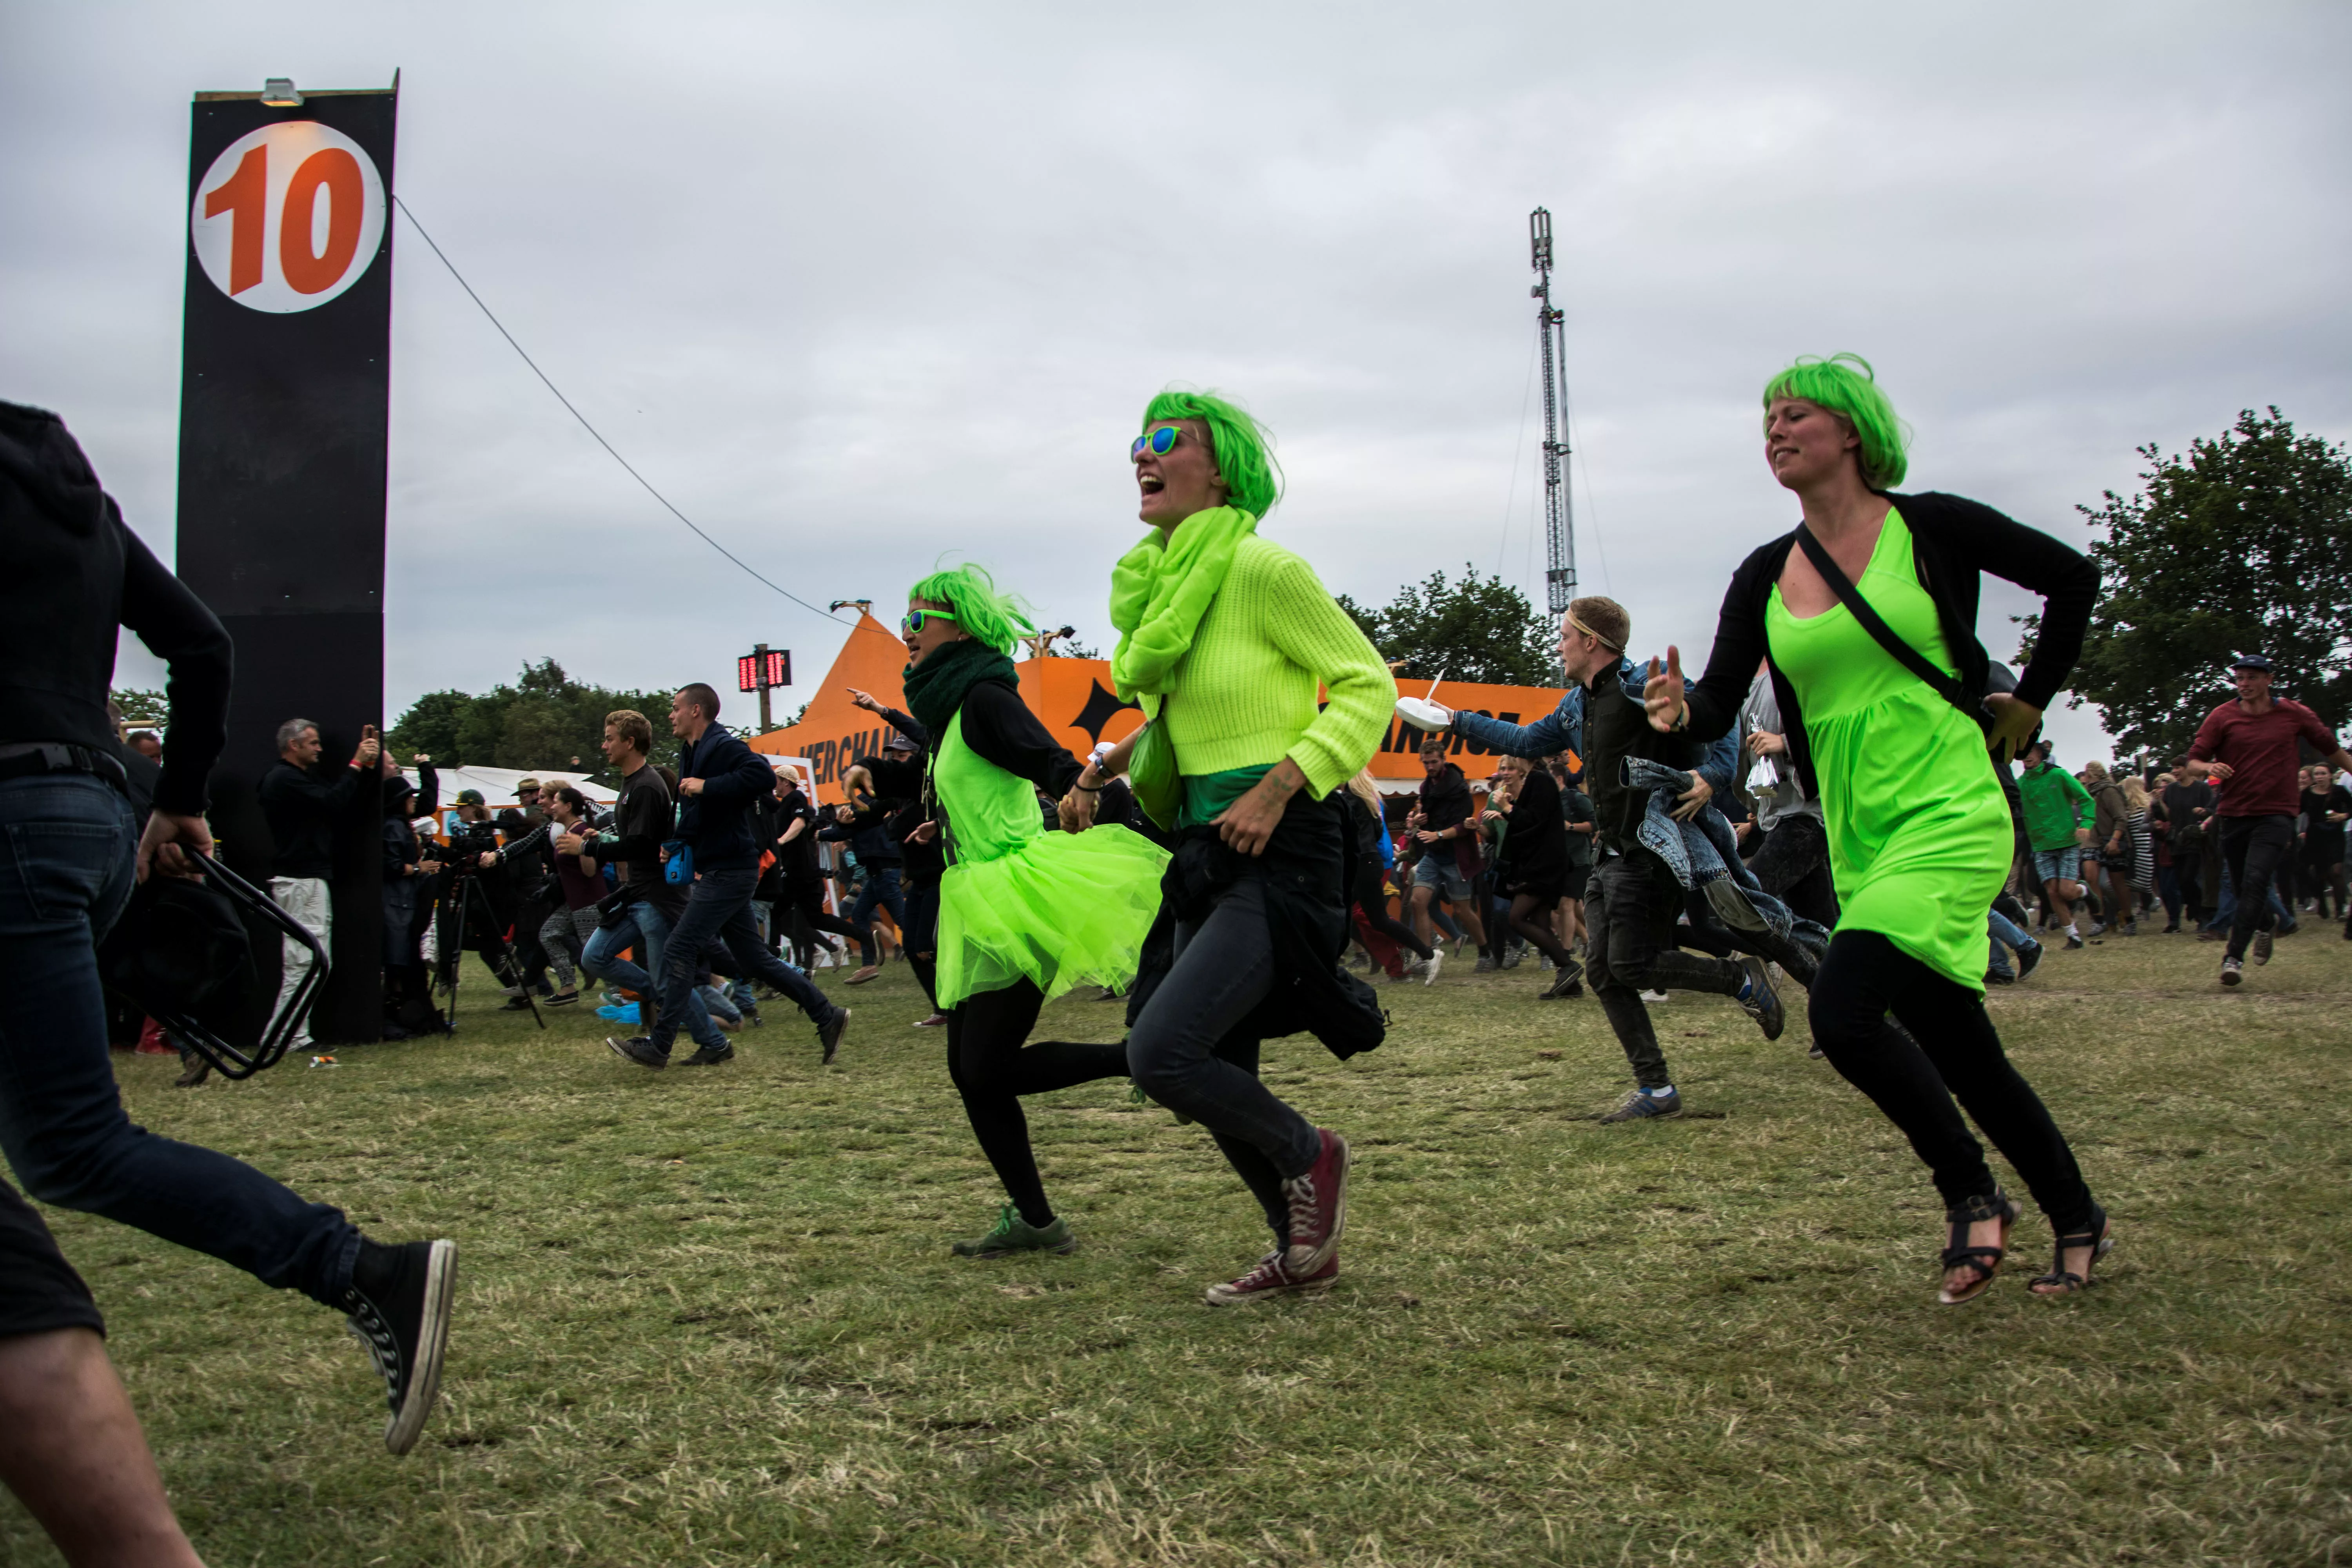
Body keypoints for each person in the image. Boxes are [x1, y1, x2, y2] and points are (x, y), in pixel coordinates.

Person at [0, 397, 452, 1451]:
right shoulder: (75, 505)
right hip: (83, 814)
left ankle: (361, 1269)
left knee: (72, 1148)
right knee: (69, 1147)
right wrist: (177, 796)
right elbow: (201, 644)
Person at [1650, 352, 2109, 1302]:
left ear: (1852, 431)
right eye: (1767, 419)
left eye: (1796, 416)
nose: (1775, 430)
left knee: (1845, 1011)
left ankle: (1971, 1195)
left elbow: (2073, 578)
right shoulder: (1763, 574)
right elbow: (1717, 706)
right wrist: (1672, 709)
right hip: (1859, 826)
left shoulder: (1931, 526)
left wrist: (2028, 703)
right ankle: (2077, 1216)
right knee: (1959, 1045)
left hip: (1950, 804)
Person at [1062, 388, 1389, 1305]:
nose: (1143, 453)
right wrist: (1099, 772)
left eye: (1168, 440)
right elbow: (1181, 721)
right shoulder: (1170, 590)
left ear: (1223, 469)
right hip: (1205, 841)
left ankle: (1311, 1153)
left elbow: (1369, 687)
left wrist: (1281, 783)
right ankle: (1302, 1252)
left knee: (1162, 1051)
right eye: (1138, 440)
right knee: (1207, 1063)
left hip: (1282, 839)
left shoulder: (1263, 570)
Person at [893, 567, 1169, 1256]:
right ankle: (1037, 1221)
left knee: (984, 1069)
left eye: (916, 620)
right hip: (975, 890)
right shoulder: (947, 712)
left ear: (957, 626)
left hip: (1018, 893)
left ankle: (1143, 1058)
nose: (906, 634)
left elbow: (1045, 758)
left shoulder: (982, 695)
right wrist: (942, 823)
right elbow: (982, 785)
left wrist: (1078, 789)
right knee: (971, 1073)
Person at [1436, 599, 1784, 1120]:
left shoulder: (1639, 684)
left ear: (1590, 642)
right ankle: (1658, 1090)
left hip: (1652, 850)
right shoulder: (1576, 704)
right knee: (1602, 970)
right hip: (1611, 853)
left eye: (1564, 636)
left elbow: (1722, 715)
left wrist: (1713, 774)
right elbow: (1527, 739)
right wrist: (1457, 720)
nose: (1558, 646)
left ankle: (1741, 981)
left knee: (1631, 964)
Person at [607, 685, 851, 1067]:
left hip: (731, 870)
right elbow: (700, 812)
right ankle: (827, 1014)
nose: (670, 715)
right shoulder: (691, 752)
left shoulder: (721, 744)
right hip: (724, 868)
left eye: (675, 709)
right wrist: (678, 841)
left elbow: (758, 776)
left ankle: (660, 1046)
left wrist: (706, 786)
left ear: (696, 710)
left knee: (679, 949)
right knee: (752, 959)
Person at [2181, 653, 2352, 984]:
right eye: (2239, 678)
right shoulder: (2222, 716)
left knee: (2257, 881)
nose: (2244, 684)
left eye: (2251, 678)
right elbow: (2194, 762)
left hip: (2277, 814)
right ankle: (2264, 924)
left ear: (2269, 679)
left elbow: (2330, 746)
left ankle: (2233, 958)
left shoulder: (2293, 713)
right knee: (2247, 887)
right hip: (2233, 814)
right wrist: (2209, 768)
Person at [575, 711, 730, 1058]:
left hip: (656, 900)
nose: (604, 745)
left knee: (665, 982)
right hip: (637, 896)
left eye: (610, 738)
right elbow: (637, 841)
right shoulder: (633, 783)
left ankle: (715, 1042)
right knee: (595, 957)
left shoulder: (645, 785)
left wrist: (588, 847)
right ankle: (683, 1011)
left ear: (630, 743)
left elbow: (641, 847)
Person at [259, 715, 379, 1047]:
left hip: (305, 880)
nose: (320, 749)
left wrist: (363, 767)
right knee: (304, 961)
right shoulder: (284, 780)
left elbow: (333, 801)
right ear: (293, 745)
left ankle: (285, 1034)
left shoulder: (290, 779)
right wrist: (357, 764)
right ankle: (288, 1036)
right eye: (313, 743)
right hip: (301, 882)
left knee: (309, 960)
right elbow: (333, 802)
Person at [1739, 659, 1838, 929]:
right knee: (1819, 928)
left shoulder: (1799, 664)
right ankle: (1836, 969)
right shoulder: (1747, 684)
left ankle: (1750, 969)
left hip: (1808, 817)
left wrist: (1785, 742)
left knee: (1743, 901)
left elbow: (1839, 729)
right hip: (1775, 819)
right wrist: (1758, 809)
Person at [1480, 753, 1584, 996]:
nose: (1507, 771)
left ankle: (1569, 966)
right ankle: (1571, 986)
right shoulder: (1538, 781)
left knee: (1516, 918)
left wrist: (1506, 807)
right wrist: (1510, 809)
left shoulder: (1540, 781)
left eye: (1512, 762)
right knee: (1539, 922)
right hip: (1542, 862)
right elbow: (1531, 821)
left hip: (1544, 864)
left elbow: (1534, 823)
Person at [1344, 769, 1435, 981]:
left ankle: (1407, 961)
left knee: (1366, 917)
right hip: (1374, 859)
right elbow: (1376, 831)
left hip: (1369, 861)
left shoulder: (1351, 799)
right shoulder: (1370, 798)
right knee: (1351, 916)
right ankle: (1395, 958)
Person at [1408, 737, 1483, 967]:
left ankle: (1485, 951)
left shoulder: (1459, 788)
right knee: (1417, 902)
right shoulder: (1426, 787)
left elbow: (1463, 827)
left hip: (1456, 857)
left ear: (1443, 760)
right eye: (1425, 763)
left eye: (1433, 762)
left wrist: (1438, 834)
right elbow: (1429, 817)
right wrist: (1421, 820)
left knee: (1462, 910)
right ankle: (1426, 957)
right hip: (1433, 855)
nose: (1429, 767)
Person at [2016, 740, 2096, 947]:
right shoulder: (2020, 784)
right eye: (2024, 752)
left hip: (2067, 841)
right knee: (2052, 892)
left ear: (2041, 754)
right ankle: (2073, 936)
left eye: (2032, 751)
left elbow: (2086, 800)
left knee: (2067, 891)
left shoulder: (2058, 775)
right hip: (2041, 846)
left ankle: (2084, 891)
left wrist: (2086, 824)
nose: (2028, 756)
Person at [531, 785, 604, 1006]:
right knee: (549, 934)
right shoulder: (565, 831)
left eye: (556, 803)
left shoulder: (582, 831)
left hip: (589, 903)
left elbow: (591, 872)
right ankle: (568, 987)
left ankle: (621, 993)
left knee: (598, 955)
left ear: (569, 806)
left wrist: (583, 846)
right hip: (573, 904)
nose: (552, 807)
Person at [2296, 763, 2350, 921]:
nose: (2320, 777)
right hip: (2315, 837)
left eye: (2323, 774)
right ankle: (2321, 901)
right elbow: (2296, 811)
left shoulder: (2339, 791)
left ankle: (2340, 909)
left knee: (2336, 872)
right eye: (2317, 774)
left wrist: (2343, 816)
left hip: (2335, 836)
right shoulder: (2307, 793)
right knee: (2317, 873)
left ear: (2330, 775)